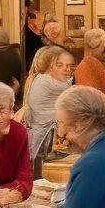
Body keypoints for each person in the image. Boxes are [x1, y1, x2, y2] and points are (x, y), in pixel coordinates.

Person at [23, 45, 74, 177]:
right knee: (38, 168)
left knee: (38, 164)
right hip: (42, 130)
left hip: (41, 129)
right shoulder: (46, 80)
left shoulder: (39, 78)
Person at [72, 28, 105, 98]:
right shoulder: (85, 68)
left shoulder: (98, 64)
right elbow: (89, 100)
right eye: (103, 46)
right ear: (94, 46)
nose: (104, 49)